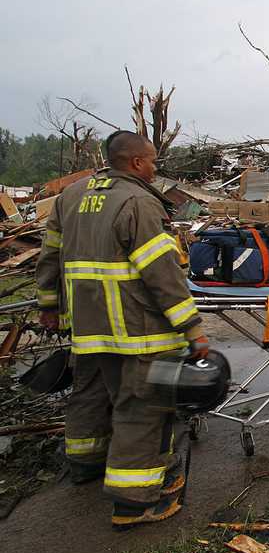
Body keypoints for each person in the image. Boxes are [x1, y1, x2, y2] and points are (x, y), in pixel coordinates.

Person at [34, 131, 207, 528]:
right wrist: (193, 327)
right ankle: (134, 503)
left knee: (111, 399)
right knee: (142, 409)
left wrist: (49, 306)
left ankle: (108, 468)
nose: (155, 168)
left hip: (91, 327)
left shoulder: (72, 195)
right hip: (138, 327)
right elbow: (162, 273)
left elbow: (50, 255)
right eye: (151, 161)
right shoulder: (139, 201)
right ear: (134, 163)